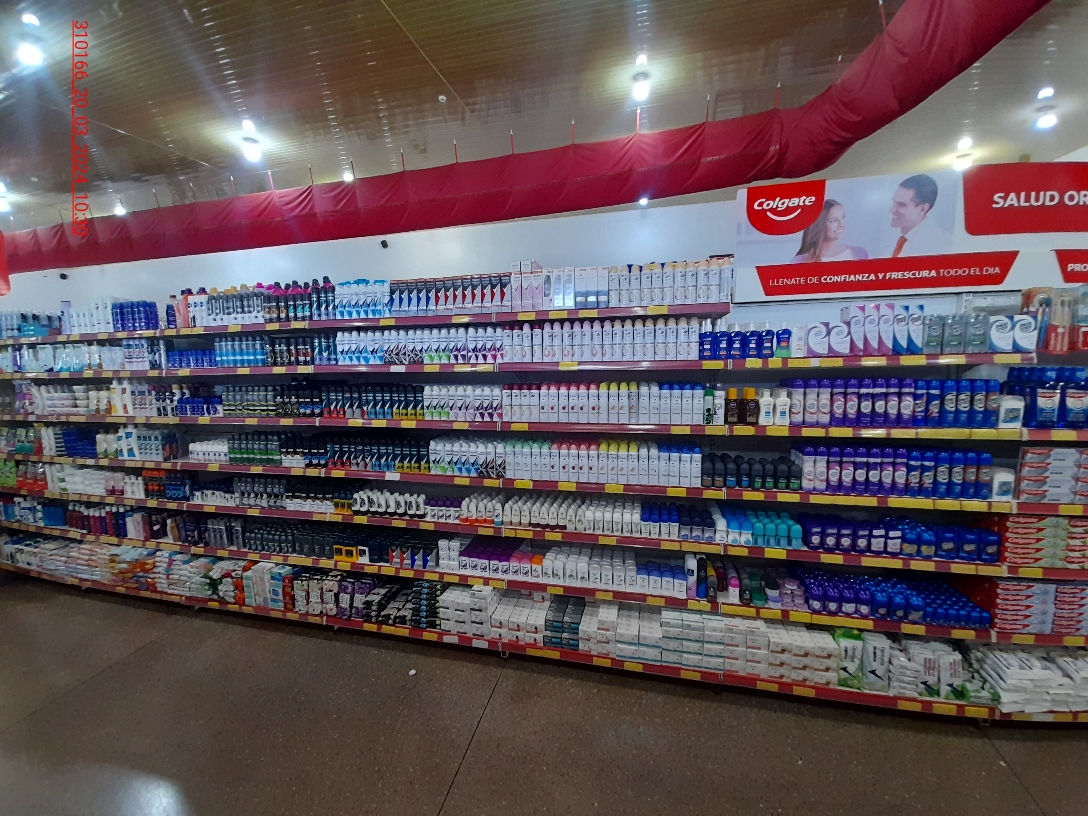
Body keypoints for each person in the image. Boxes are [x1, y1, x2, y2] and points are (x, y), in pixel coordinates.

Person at [884, 174, 952, 257]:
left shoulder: (942, 244)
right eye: (894, 202)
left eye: (901, 204)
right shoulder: (893, 237)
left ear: (923, 208)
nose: (892, 210)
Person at [790, 199, 869, 263]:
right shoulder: (799, 261)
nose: (841, 224)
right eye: (833, 220)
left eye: (843, 217)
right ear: (820, 225)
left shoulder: (860, 253)